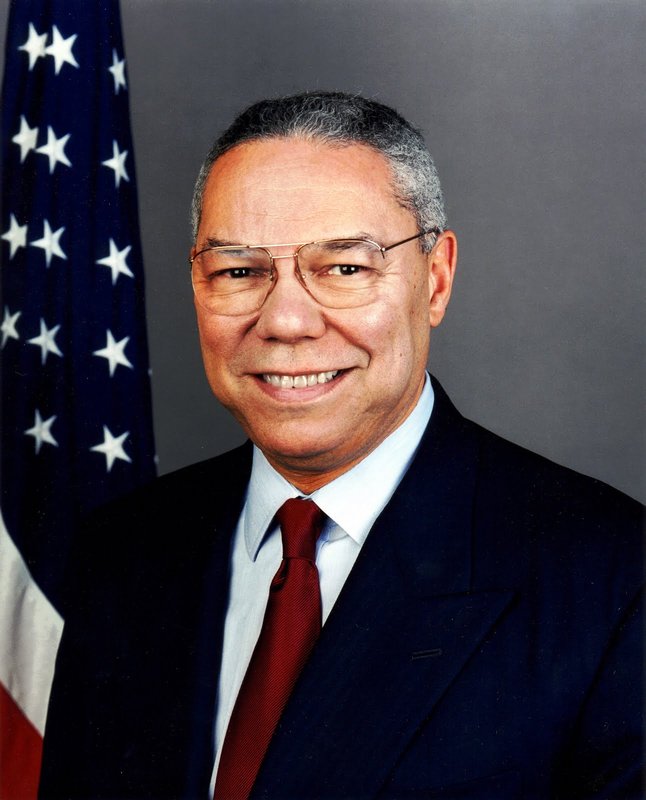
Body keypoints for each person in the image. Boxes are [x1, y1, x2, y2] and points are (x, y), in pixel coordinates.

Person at [39, 92, 643, 800]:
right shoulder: (122, 551)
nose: (286, 321)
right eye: (239, 271)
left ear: (436, 279)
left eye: (344, 268)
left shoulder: (611, 579)